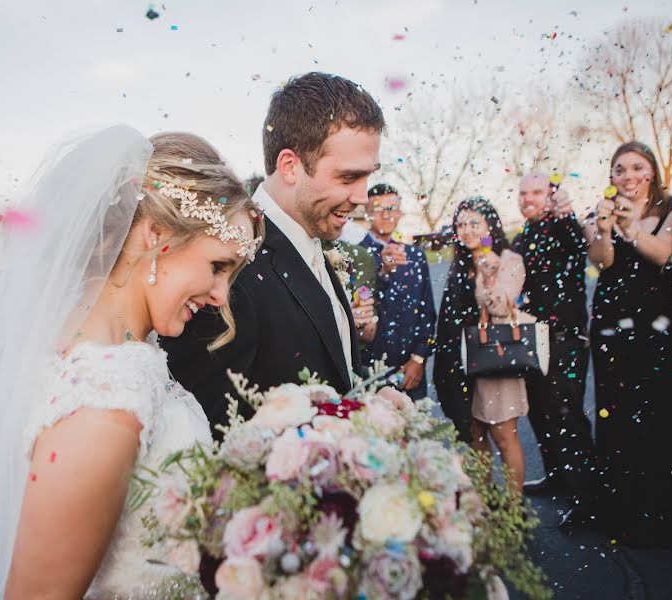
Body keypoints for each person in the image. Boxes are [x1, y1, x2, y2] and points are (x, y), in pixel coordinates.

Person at [0, 126, 264, 599]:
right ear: (155, 234)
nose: (221, 295)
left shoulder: (116, 355)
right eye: (218, 266)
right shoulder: (104, 398)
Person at [162, 72, 385, 437]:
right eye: (348, 178)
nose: (363, 197)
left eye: (367, 177)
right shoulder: (228, 267)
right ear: (290, 166)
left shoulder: (313, 240)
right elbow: (211, 435)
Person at [584, 141, 672, 547]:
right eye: (620, 169)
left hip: (660, 326)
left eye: (637, 167)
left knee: (660, 416)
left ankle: (666, 514)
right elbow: (601, 262)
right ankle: (625, 513)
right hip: (612, 328)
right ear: (611, 176)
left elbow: (663, 255)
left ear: (651, 172)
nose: (628, 176)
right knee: (617, 415)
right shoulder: (599, 210)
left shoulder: (670, 208)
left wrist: (631, 228)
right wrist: (603, 230)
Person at [510, 174, 595, 524]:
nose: (528, 198)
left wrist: (566, 213)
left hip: (564, 339)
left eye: (537, 192)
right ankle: (557, 477)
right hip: (533, 340)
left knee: (567, 417)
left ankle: (587, 499)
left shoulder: (564, 228)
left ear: (552, 196)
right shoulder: (523, 237)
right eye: (523, 192)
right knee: (540, 415)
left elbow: (579, 242)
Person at [437, 198, 528, 497]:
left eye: (474, 223)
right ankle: (486, 502)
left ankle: (514, 510)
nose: (466, 230)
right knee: (474, 436)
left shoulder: (509, 259)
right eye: (461, 224)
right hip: (462, 364)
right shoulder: (460, 264)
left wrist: (489, 278)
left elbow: (502, 308)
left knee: (504, 437)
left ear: (491, 226)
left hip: (495, 359)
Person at [359, 183, 436, 398]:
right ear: (367, 213)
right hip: (370, 373)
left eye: (392, 207)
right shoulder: (356, 255)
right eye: (378, 208)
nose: (386, 214)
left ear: (400, 210)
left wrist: (419, 358)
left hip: (411, 370)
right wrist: (383, 272)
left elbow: (427, 312)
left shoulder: (415, 256)